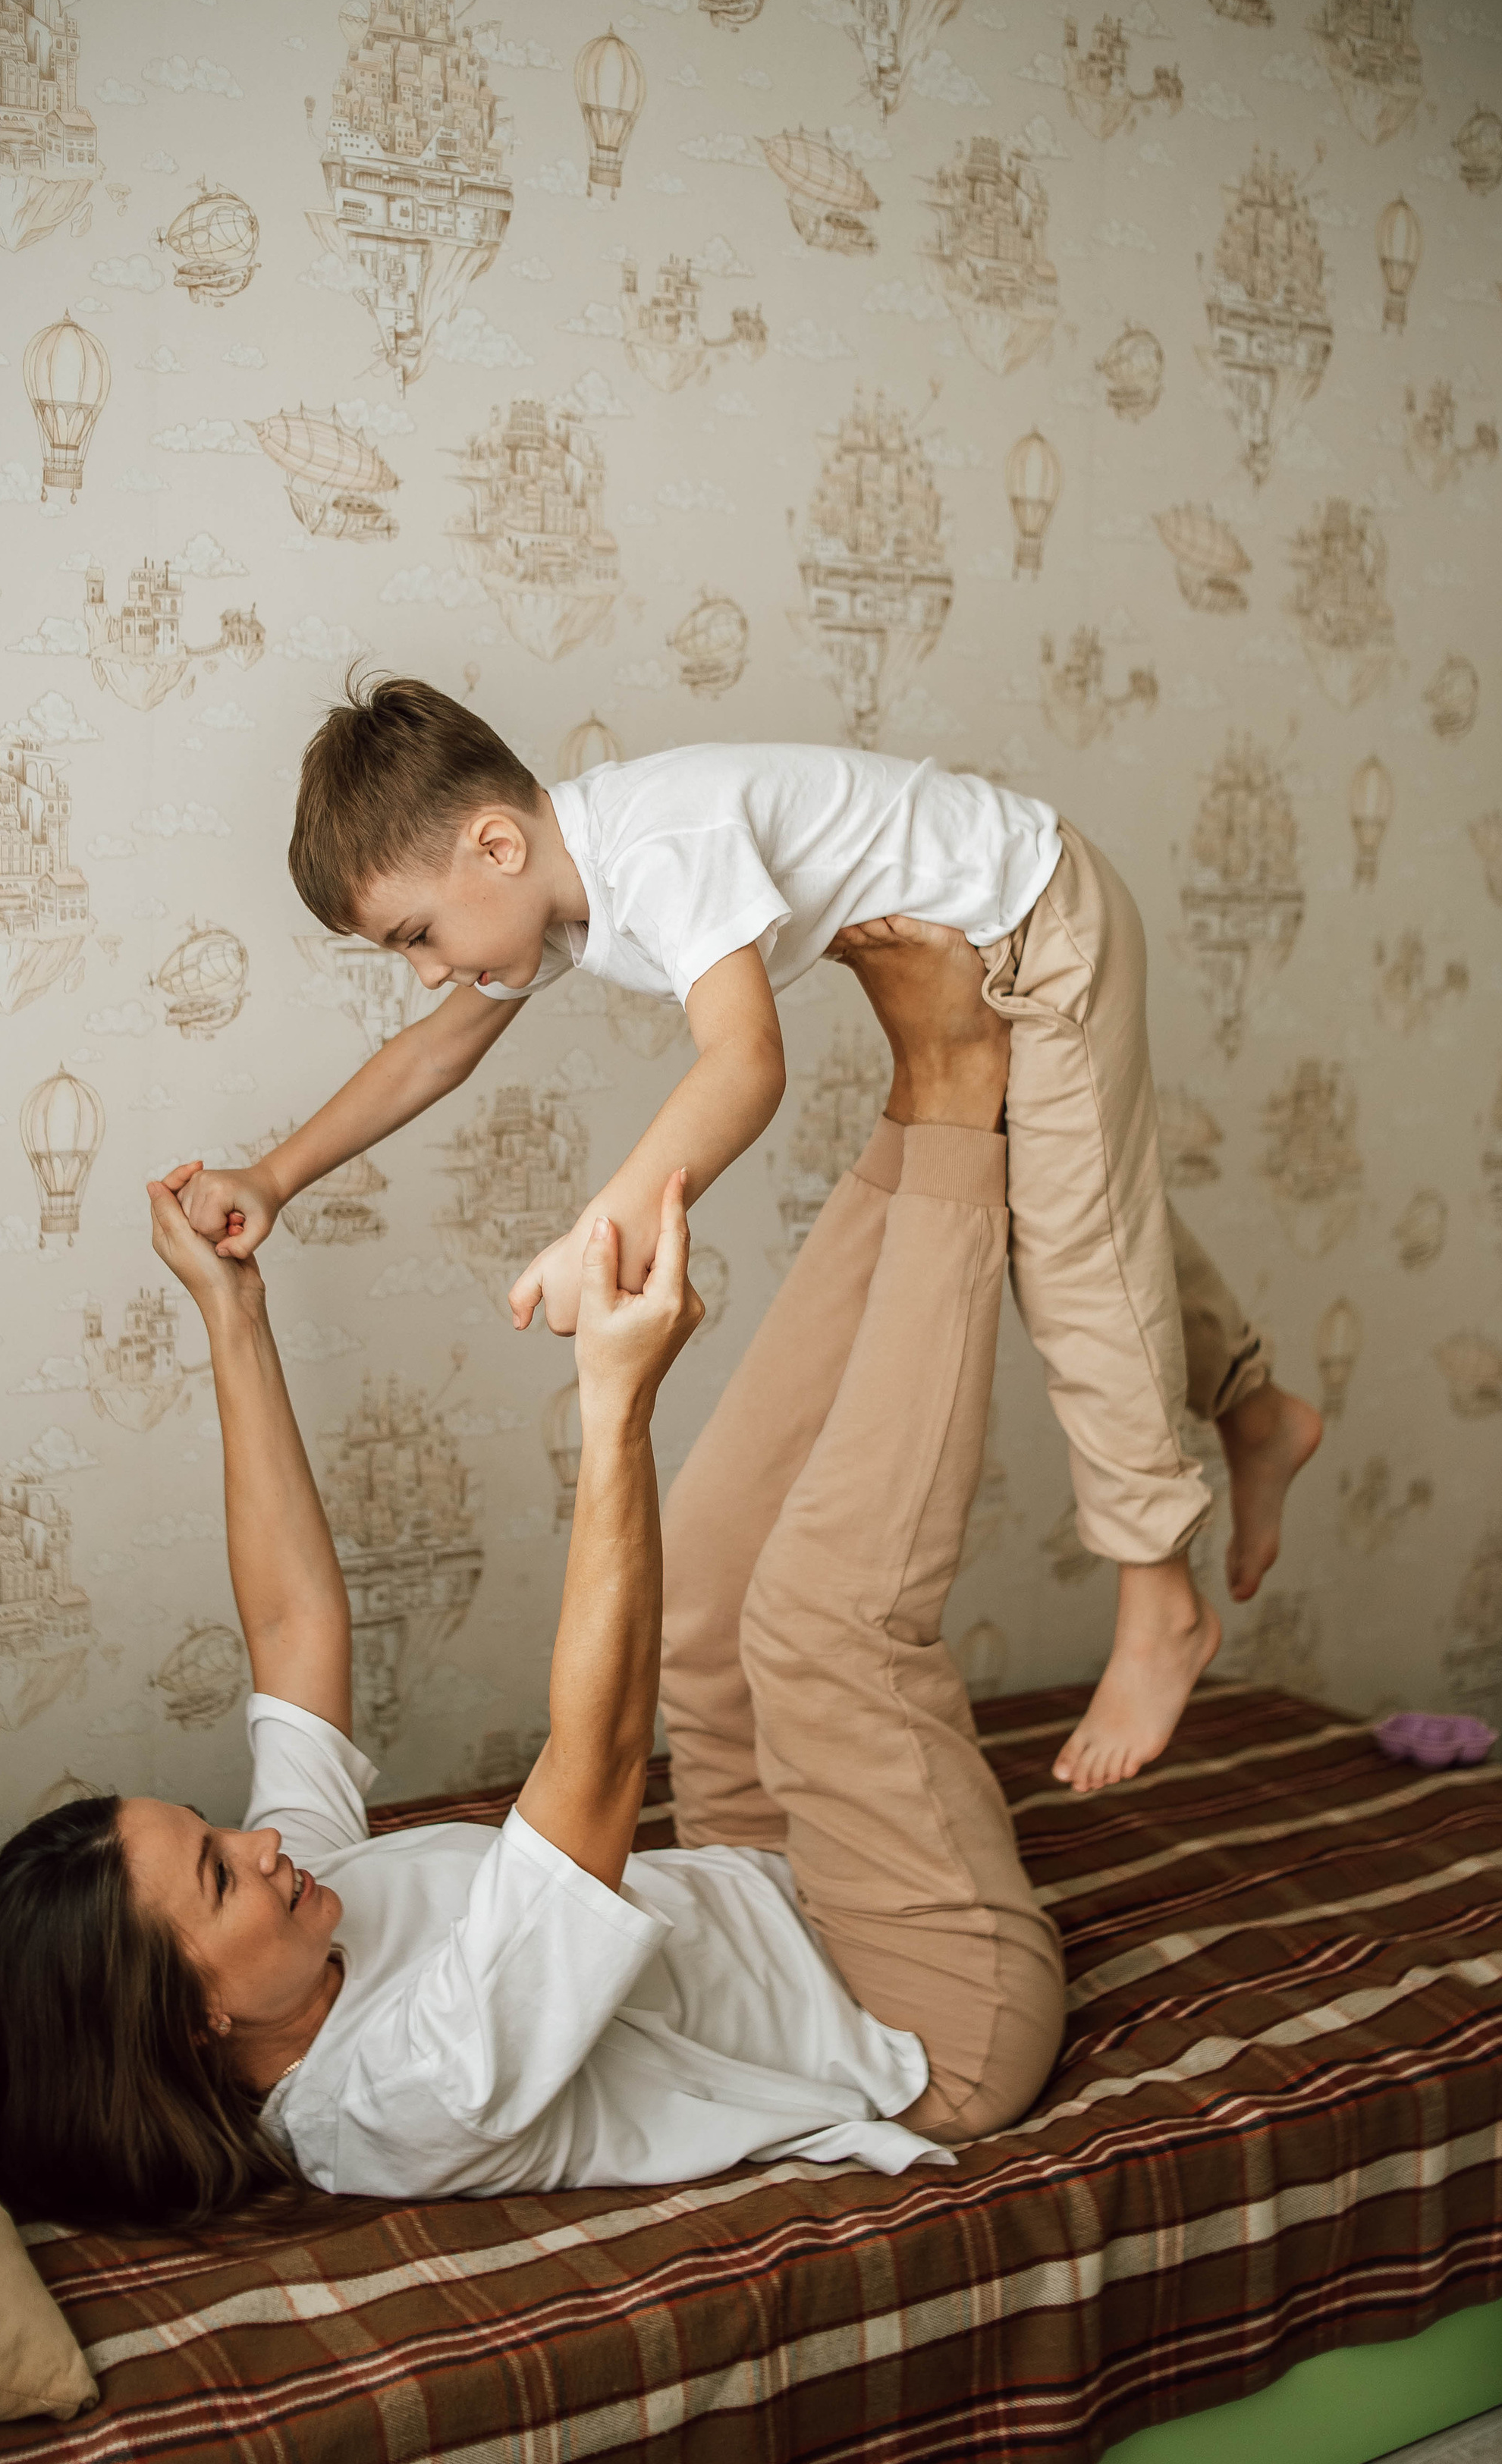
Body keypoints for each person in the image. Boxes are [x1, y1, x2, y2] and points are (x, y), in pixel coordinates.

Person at [0, 929, 1063, 2230]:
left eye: (214, 1831)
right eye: (217, 1875)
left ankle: (925, 1103)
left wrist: (230, 1309)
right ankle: (967, 1073)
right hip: (917, 2016)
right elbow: (596, 1769)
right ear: (194, 2014)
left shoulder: (299, 1932)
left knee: (706, 1602)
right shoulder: (396, 2095)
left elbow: (294, 1629)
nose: (259, 1845)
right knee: (820, 1630)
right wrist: (615, 1407)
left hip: (755, 1875)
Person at [168, 676, 1319, 1794]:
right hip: (1003, 935)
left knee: (1072, 1260)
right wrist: (274, 1177)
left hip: (1039, 922)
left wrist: (601, 1232)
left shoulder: (659, 847)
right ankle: (1255, 1407)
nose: (428, 973)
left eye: (418, 935)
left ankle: (1160, 1599)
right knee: (1091, 1207)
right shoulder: (557, 892)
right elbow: (434, 1053)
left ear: (495, 847)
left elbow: (747, 1065)